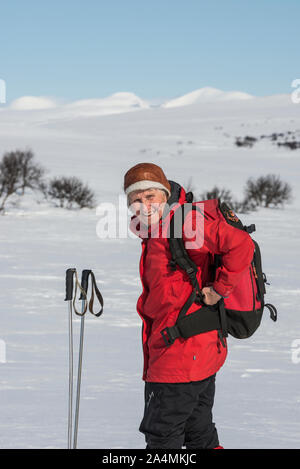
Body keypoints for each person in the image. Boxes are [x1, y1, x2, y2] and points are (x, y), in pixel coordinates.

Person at [124, 162, 254, 449]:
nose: (143, 206)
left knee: (163, 435)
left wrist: (219, 289)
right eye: (135, 199)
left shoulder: (183, 223)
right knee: (198, 431)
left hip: (182, 354)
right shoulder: (156, 232)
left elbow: (242, 245)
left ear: (164, 194)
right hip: (198, 351)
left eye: (150, 196)